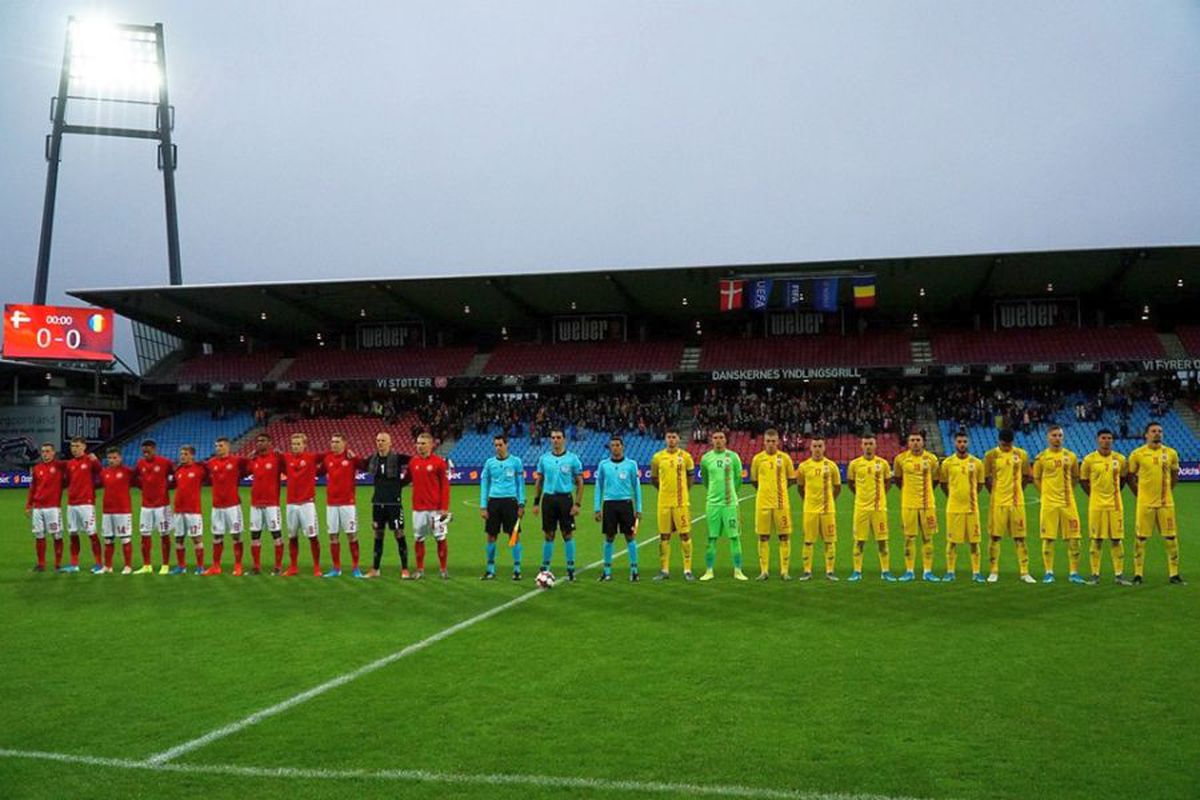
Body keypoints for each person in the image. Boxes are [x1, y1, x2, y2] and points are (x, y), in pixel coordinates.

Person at [1127, 422, 1183, 585]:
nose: (1157, 434)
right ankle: (1138, 574)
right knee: (1141, 538)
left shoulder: (1171, 453)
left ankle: (1174, 574)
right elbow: (1130, 477)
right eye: (1153, 431)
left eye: (1159, 431)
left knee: (1171, 537)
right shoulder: (1137, 454)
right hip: (1145, 504)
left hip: (1166, 503)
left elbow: (1174, 475)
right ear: (1146, 435)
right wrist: (1139, 494)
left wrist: (1168, 492)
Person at [1032, 424, 1084, 584]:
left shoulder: (1071, 456)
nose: (1057, 438)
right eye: (1054, 435)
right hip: (1049, 504)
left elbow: (1075, 477)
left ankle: (1074, 572)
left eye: (1060, 435)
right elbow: (1036, 478)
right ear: (1048, 437)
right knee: (1048, 538)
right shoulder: (1041, 458)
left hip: (1068, 503)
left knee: (1074, 539)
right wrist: (1046, 493)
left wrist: (1067, 491)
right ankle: (1049, 572)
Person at [982, 429, 1035, 583]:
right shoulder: (990, 455)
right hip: (998, 502)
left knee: (1020, 537)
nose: (1007, 447)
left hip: (1017, 502)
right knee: (995, 537)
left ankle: (1025, 572)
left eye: (1009, 444)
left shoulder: (1021, 454)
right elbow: (985, 477)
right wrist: (995, 492)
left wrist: (1018, 490)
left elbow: (1026, 476)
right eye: (1004, 444)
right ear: (999, 441)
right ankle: (993, 571)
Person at [1080, 429, 1130, 585]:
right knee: (1097, 539)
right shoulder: (1089, 460)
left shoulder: (1120, 459)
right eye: (1103, 438)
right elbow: (1083, 481)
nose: (1107, 441)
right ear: (1098, 440)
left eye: (1109, 438)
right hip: (1096, 505)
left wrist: (1113, 493)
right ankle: (1095, 574)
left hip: (1115, 505)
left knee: (1117, 539)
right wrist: (1094, 494)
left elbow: (1123, 479)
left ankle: (1119, 575)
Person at [532, 429, 584, 581]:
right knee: (548, 534)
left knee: (567, 534)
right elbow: (539, 481)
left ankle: (571, 568)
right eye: (553, 437)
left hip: (565, 500)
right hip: (548, 500)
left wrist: (577, 504)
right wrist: (536, 502)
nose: (555, 440)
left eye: (558, 437)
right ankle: (545, 567)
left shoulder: (572, 459)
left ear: (564, 439)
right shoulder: (544, 459)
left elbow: (580, 483)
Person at [845, 434, 895, 581]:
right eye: (865, 443)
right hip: (861, 509)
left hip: (879, 509)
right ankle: (857, 571)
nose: (868, 446)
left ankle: (885, 571)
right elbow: (850, 483)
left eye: (870, 443)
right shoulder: (854, 464)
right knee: (859, 541)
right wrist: (861, 496)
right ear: (861, 446)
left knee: (882, 541)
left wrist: (879, 497)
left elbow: (887, 483)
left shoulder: (883, 463)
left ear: (875, 445)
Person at [698, 431, 747, 581]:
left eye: (721, 438)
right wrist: (714, 494)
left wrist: (731, 494)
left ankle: (738, 570)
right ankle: (709, 571)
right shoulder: (706, 459)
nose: (718, 440)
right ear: (711, 440)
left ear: (725, 440)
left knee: (734, 537)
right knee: (711, 538)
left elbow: (738, 479)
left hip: (730, 504)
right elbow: (705, 479)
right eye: (715, 438)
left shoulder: (733, 457)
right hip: (712, 504)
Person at [593, 435, 642, 582]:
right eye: (612, 445)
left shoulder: (631, 464)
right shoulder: (603, 465)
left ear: (623, 446)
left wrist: (638, 508)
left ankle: (634, 571)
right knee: (609, 537)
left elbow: (636, 487)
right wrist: (597, 507)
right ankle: (607, 571)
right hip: (609, 504)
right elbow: (598, 487)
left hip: (626, 504)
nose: (615, 448)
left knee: (630, 537)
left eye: (617, 445)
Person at [893, 432, 942, 582]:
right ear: (908, 443)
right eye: (912, 440)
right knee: (909, 538)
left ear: (923, 442)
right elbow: (898, 479)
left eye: (918, 440)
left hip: (928, 505)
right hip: (908, 504)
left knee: (928, 538)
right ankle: (909, 571)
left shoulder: (932, 459)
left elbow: (935, 479)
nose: (915, 443)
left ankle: (927, 571)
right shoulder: (900, 459)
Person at [365, 432, 412, 579]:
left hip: (394, 503)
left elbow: (416, 463)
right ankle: (375, 569)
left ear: (390, 443)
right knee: (378, 534)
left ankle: (404, 569)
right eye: (378, 440)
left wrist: (400, 484)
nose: (380, 443)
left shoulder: (398, 458)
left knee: (399, 533)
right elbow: (359, 464)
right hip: (378, 503)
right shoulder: (372, 459)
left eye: (383, 440)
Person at [649, 429, 695, 581]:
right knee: (664, 536)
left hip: (681, 503)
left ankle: (687, 570)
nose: (671, 440)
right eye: (668, 437)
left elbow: (690, 478)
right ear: (665, 439)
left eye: (674, 437)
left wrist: (683, 492)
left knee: (685, 534)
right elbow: (654, 478)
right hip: (663, 503)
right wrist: (664, 490)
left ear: (679, 439)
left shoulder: (686, 457)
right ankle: (664, 570)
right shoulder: (657, 458)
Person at [939, 431, 985, 583]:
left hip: (972, 509)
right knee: (951, 542)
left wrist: (970, 497)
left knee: (974, 542)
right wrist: (954, 496)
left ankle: (976, 572)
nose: (962, 444)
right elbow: (943, 484)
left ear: (968, 442)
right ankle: (950, 572)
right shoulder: (947, 463)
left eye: (964, 441)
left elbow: (980, 484)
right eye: (959, 441)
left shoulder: (977, 463)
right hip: (953, 508)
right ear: (954, 443)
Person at [479, 434, 525, 580]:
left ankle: (517, 569)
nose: (498, 448)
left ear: (507, 445)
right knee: (491, 536)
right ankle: (490, 569)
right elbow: (484, 485)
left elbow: (520, 485)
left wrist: (521, 503)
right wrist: (483, 506)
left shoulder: (516, 462)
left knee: (513, 536)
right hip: (494, 502)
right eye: (496, 445)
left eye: (500, 445)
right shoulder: (489, 463)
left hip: (510, 502)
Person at [795, 436, 840, 581]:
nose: (817, 449)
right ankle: (807, 571)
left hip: (828, 510)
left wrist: (829, 500)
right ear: (810, 447)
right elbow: (800, 487)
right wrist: (808, 501)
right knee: (808, 541)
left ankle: (830, 571)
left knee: (829, 541)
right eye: (815, 446)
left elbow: (838, 487)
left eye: (820, 446)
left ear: (824, 447)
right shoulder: (803, 467)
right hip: (810, 510)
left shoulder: (832, 466)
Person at [409, 432, 452, 580]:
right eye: (418, 443)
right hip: (418, 509)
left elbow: (445, 487)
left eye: (423, 443)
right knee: (419, 538)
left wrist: (444, 507)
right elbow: (406, 479)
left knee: (440, 538)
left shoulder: (439, 462)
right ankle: (420, 569)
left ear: (431, 445)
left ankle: (443, 569)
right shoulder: (413, 462)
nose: (420, 446)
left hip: (436, 509)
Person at [281, 433, 323, 577]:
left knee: (312, 536)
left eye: (298, 444)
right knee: (292, 536)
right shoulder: (286, 458)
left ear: (305, 445)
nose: (295, 447)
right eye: (293, 444)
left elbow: (330, 454)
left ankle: (317, 567)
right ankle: (293, 567)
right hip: (291, 504)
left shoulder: (311, 458)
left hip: (307, 504)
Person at [205, 437, 248, 576]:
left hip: (233, 505)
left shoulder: (237, 461)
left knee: (236, 535)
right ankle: (216, 566)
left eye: (221, 445)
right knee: (217, 536)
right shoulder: (211, 463)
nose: (218, 448)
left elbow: (250, 465)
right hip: (217, 506)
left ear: (228, 447)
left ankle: (238, 565)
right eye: (216, 446)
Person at [134, 439, 174, 575]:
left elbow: (175, 477)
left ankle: (165, 565)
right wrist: (144, 488)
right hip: (146, 506)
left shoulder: (165, 462)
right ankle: (146, 565)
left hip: (162, 506)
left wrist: (165, 489)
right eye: (143, 449)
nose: (145, 451)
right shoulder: (140, 463)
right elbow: (135, 479)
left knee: (164, 535)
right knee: (145, 535)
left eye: (148, 449)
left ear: (154, 449)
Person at [247, 434, 285, 575]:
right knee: (255, 536)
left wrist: (282, 455)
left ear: (270, 442)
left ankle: (278, 567)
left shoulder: (276, 458)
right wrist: (249, 457)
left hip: (271, 504)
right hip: (255, 504)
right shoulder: (254, 459)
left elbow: (289, 468)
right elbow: (245, 470)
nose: (259, 443)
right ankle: (256, 567)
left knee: (276, 535)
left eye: (263, 441)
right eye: (258, 441)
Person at [64, 437, 103, 574]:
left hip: (86, 503)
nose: (74, 448)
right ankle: (74, 564)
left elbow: (101, 474)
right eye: (72, 446)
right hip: (71, 504)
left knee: (91, 533)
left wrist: (96, 460)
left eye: (77, 446)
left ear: (84, 447)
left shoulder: (90, 460)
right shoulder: (70, 463)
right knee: (73, 533)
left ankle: (99, 564)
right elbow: (68, 481)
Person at [25, 443, 66, 572]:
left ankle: (57, 564)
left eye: (48, 451)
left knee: (56, 535)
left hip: (53, 508)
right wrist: (28, 505)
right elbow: (33, 488)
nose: (45, 454)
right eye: (43, 451)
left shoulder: (59, 466)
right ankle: (41, 564)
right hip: (38, 508)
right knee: (39, 535)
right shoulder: (37, 468)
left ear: (54, 453)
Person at [98, 447, 137, 574]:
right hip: (107, 511)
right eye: (109, 458)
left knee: (125, 539)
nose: (112, 460)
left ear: (120, 458)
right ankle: (107, 567)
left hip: (123, 511)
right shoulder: (104, 472)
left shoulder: (128, 472)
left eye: (114, 458)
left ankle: (128, 566)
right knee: (108, 539)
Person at [172, 446, 207, 574]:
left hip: (193, 510)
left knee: (196, 538)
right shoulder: (178, 470)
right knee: (178, 539)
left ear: (192, 455)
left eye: (185, 454)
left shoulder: (199, 469)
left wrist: (201, 462)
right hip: (178, 510)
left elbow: (209, 471)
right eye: (181, 454)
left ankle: (200, 567)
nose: (182, 456)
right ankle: (181, 566)